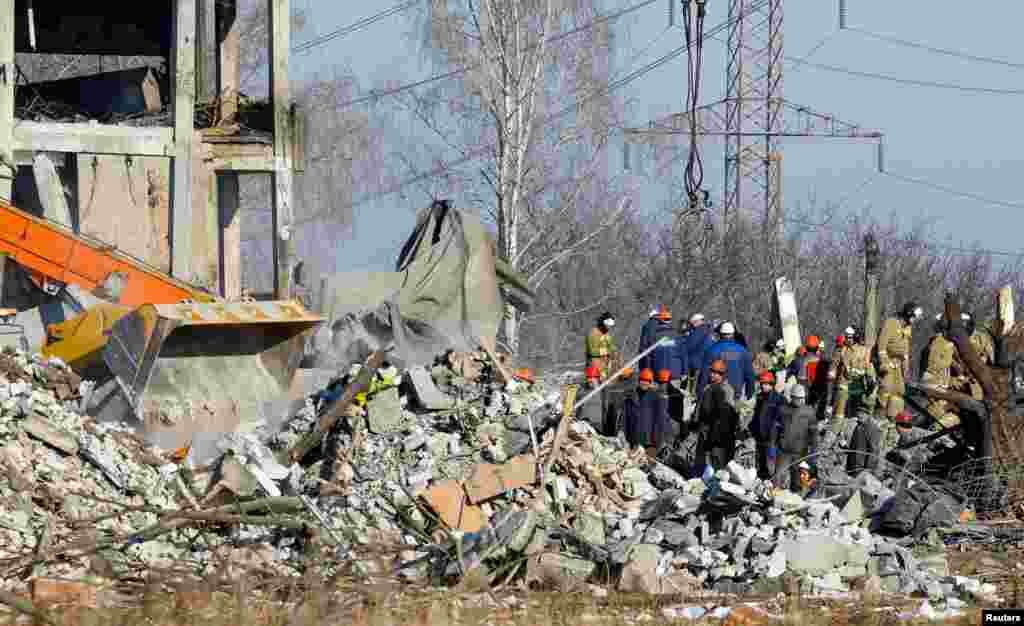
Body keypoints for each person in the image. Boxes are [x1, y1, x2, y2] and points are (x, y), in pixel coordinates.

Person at [877, 301, 924, 421]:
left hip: (898, 366)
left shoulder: (908, 329)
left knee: (899, 391)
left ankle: (893, 420)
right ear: (908, 314)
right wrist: (884, 364)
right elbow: (881, 347)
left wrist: (906, 370)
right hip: (888, 364)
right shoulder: (891, 323)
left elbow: (905, 353)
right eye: (914, 317)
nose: (915, 320)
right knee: (886, 388)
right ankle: (879, 418)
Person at [829, 326, 876, 434]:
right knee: (840, 408)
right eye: (846, 337)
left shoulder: (864, 351)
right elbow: (834, 364)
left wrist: (870, 378)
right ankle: (835, 430)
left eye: (849, 337)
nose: (847, 339)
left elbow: (868, 365)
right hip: (844, 382)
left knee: (856, 412)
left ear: (855, 337)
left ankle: (852, 431)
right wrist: (832, 372)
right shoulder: (842, 349)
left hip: (858, 384)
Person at [772, 384, 818, 492]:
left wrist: (814, 450)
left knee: (798, 479)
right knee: (777, 476)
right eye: (797, 398)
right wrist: (772, 445)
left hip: (801, 453)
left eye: (802, 398)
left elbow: (814, 433)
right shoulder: (783, 410)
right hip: (784, 451)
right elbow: (775, 429)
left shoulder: (809, 412)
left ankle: (796, 499)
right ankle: (775, 496)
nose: (800, 401)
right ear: (792, 397)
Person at [695, 359, 740, 470]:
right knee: (701, 462)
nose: (713, 375)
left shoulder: (727, 390)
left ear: (723, 375)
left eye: (717, 373)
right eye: (712, 372)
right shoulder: (707, 387)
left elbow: (728, 415)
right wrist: (695, 421)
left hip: (717, 434)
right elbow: (699, 407)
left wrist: (718, 434)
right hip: (704, 430)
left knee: (715, 464)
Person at [698, 322, 755, 400]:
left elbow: (704, 374)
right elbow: (750, 375)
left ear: (720, 334)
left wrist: (700, 393)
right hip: (736, 394)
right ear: (733, 334)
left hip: (715, 394)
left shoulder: (712, 350)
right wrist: (749, 394)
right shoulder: (743, 351)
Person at [752, 370, 785, 479]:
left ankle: (772, 484)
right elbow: (756, 415)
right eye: (762, 384)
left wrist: (777, 435)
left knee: (771, 465)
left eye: (766, 384)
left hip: (772, 438)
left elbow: (782, 420)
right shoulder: (760, 397)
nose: (763, 386)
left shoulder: (779, 399)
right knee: (760, 463)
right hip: (760, 436)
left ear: (772, 384)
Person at [846, 403, 882, 475]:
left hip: (861, 468)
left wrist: (868, 470)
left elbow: (874, 450)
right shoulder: (858, 425)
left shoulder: (872, 428)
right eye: (858, 412)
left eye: (862, 413)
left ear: (868, 414)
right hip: (852, 466)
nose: (859, 415)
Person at [627, 368, 658, 451]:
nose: (644, 382)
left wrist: (655, 438)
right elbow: (626, 416)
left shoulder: (655, 397)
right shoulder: (631, 396)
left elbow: (657, 419)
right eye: (642, 380)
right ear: (639, 381)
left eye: (647, 380)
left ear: (650, 382)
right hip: (634, 437)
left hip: (648, 439)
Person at [683, 313, 715, 394]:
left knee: (694, 390)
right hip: (703, 362)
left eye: (693, 323)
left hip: (697, 363)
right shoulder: (707, 331)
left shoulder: (699, 331)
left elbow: (689, 346)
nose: (692, 325)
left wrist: (686, 339)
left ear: (698, 322)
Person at [586, 311, 620, 381]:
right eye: (607, 325)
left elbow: (610, 346)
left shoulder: (606, 334)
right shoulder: (593, 333)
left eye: (610, 325)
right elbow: (592, 351)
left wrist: (614, 350)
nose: (609, 327)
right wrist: (607, 351)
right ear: (602, 323)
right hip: (594, 367)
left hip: (604, 367)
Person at [578, 366, 605, 432]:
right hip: (585, 421)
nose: (590, 381)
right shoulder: (582, 391)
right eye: (589, 379)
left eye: (592, 379)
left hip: (596, 422)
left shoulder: (602, 390)